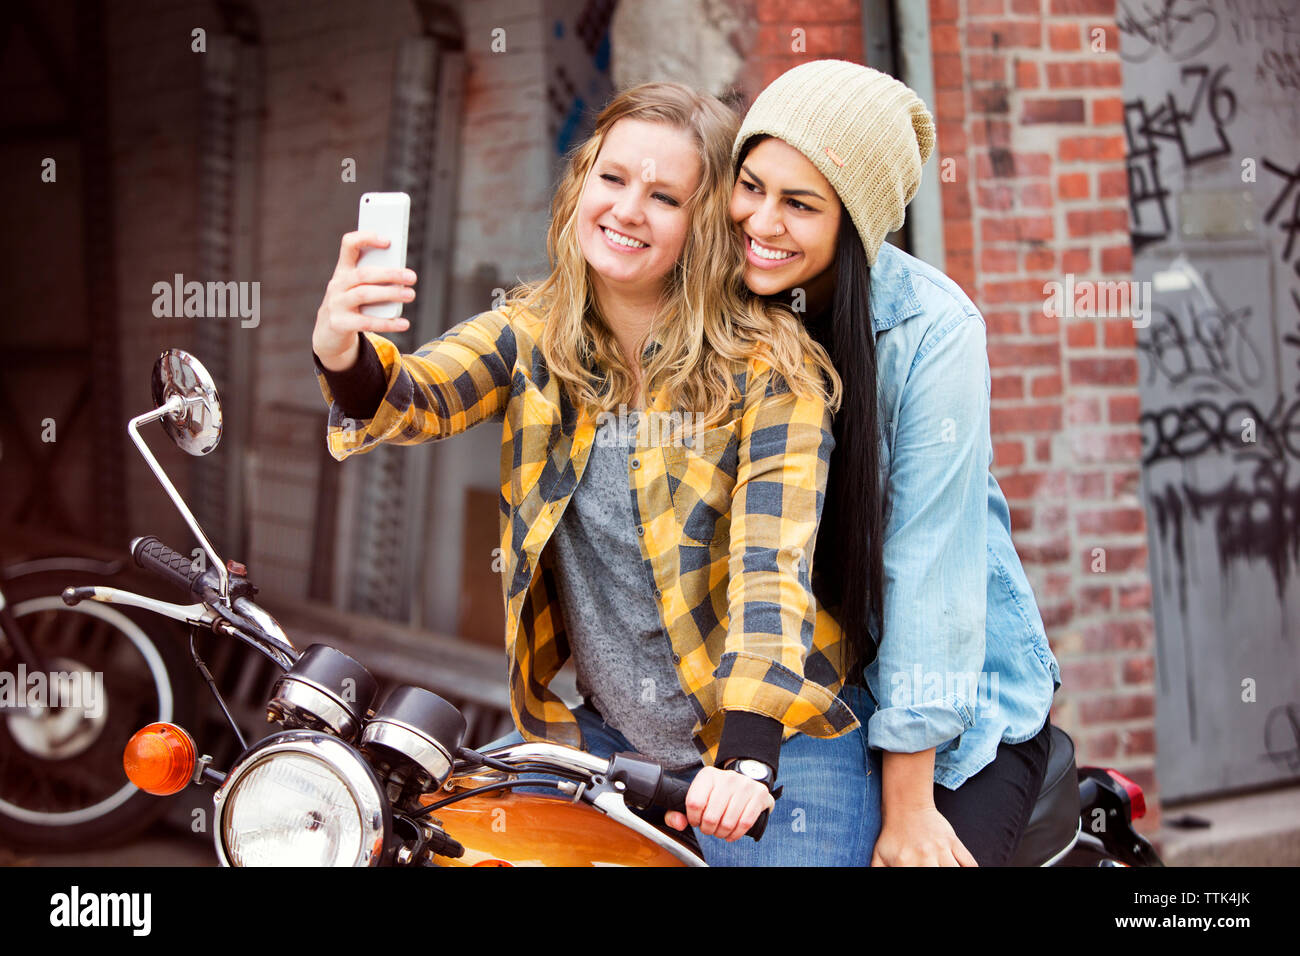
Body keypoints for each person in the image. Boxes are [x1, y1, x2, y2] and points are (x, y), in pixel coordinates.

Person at [310, 82, 879, 865]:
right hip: (606, 737)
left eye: (665, 195)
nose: (627, 209)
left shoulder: (771, 372)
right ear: (582, 184)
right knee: (436, 848)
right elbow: (416, 395)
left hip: (781, 740)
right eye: (612, 179)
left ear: (707, 222)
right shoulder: (532, 333)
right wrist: (342, 350)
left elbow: (767, 568)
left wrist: (748, 757)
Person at [728, 59, 1062, 866]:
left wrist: (910, 808)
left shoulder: (933, 331)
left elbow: (927, 569)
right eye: (749, 185)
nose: (760, 221)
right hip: (811, 692)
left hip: (951, 707)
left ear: (854, 222)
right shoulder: (721, 304)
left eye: (800, 204)